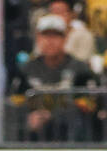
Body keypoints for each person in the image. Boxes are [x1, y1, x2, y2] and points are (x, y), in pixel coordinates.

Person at [11, 13, 99, 142]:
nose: (50, 41)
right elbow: (14, 105)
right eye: (45, 35)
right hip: (33, 140)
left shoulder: (81, 69)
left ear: (65, 38)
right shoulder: (26, 70)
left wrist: (53, 116)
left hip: (73, 141)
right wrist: (27, 118)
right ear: (37, 38)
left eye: (56, 35)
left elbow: (89, 107)